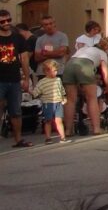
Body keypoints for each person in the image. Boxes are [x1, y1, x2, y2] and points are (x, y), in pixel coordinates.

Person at [62, 22, 108, 137]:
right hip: (85, 65)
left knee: (70, 100)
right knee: (92, 98)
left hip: (70, 65)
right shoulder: (102, 53)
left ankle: (68, 130)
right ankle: (97, 129)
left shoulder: (83, 49)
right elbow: (105, 71)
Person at [0, 9, 35, 147]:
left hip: (14, 79)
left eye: (8, 20)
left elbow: (25, 58)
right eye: (2, 21)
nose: (6, 23)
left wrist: (26, 78)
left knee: (16, 111)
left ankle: (19, 139)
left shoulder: (17, 37)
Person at [33, 59, 67, 144]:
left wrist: (64, 96)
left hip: (58, 102)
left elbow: (61, 89)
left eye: (56, 71)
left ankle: (63, 137)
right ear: (46, 71)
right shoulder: (42, 82)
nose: (55, 73)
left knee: (59, 120)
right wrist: (31, 92)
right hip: (48, 103)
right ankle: (48, 138)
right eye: (53, 71)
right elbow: (36, 92)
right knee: (48, 121)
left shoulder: (58, 80)